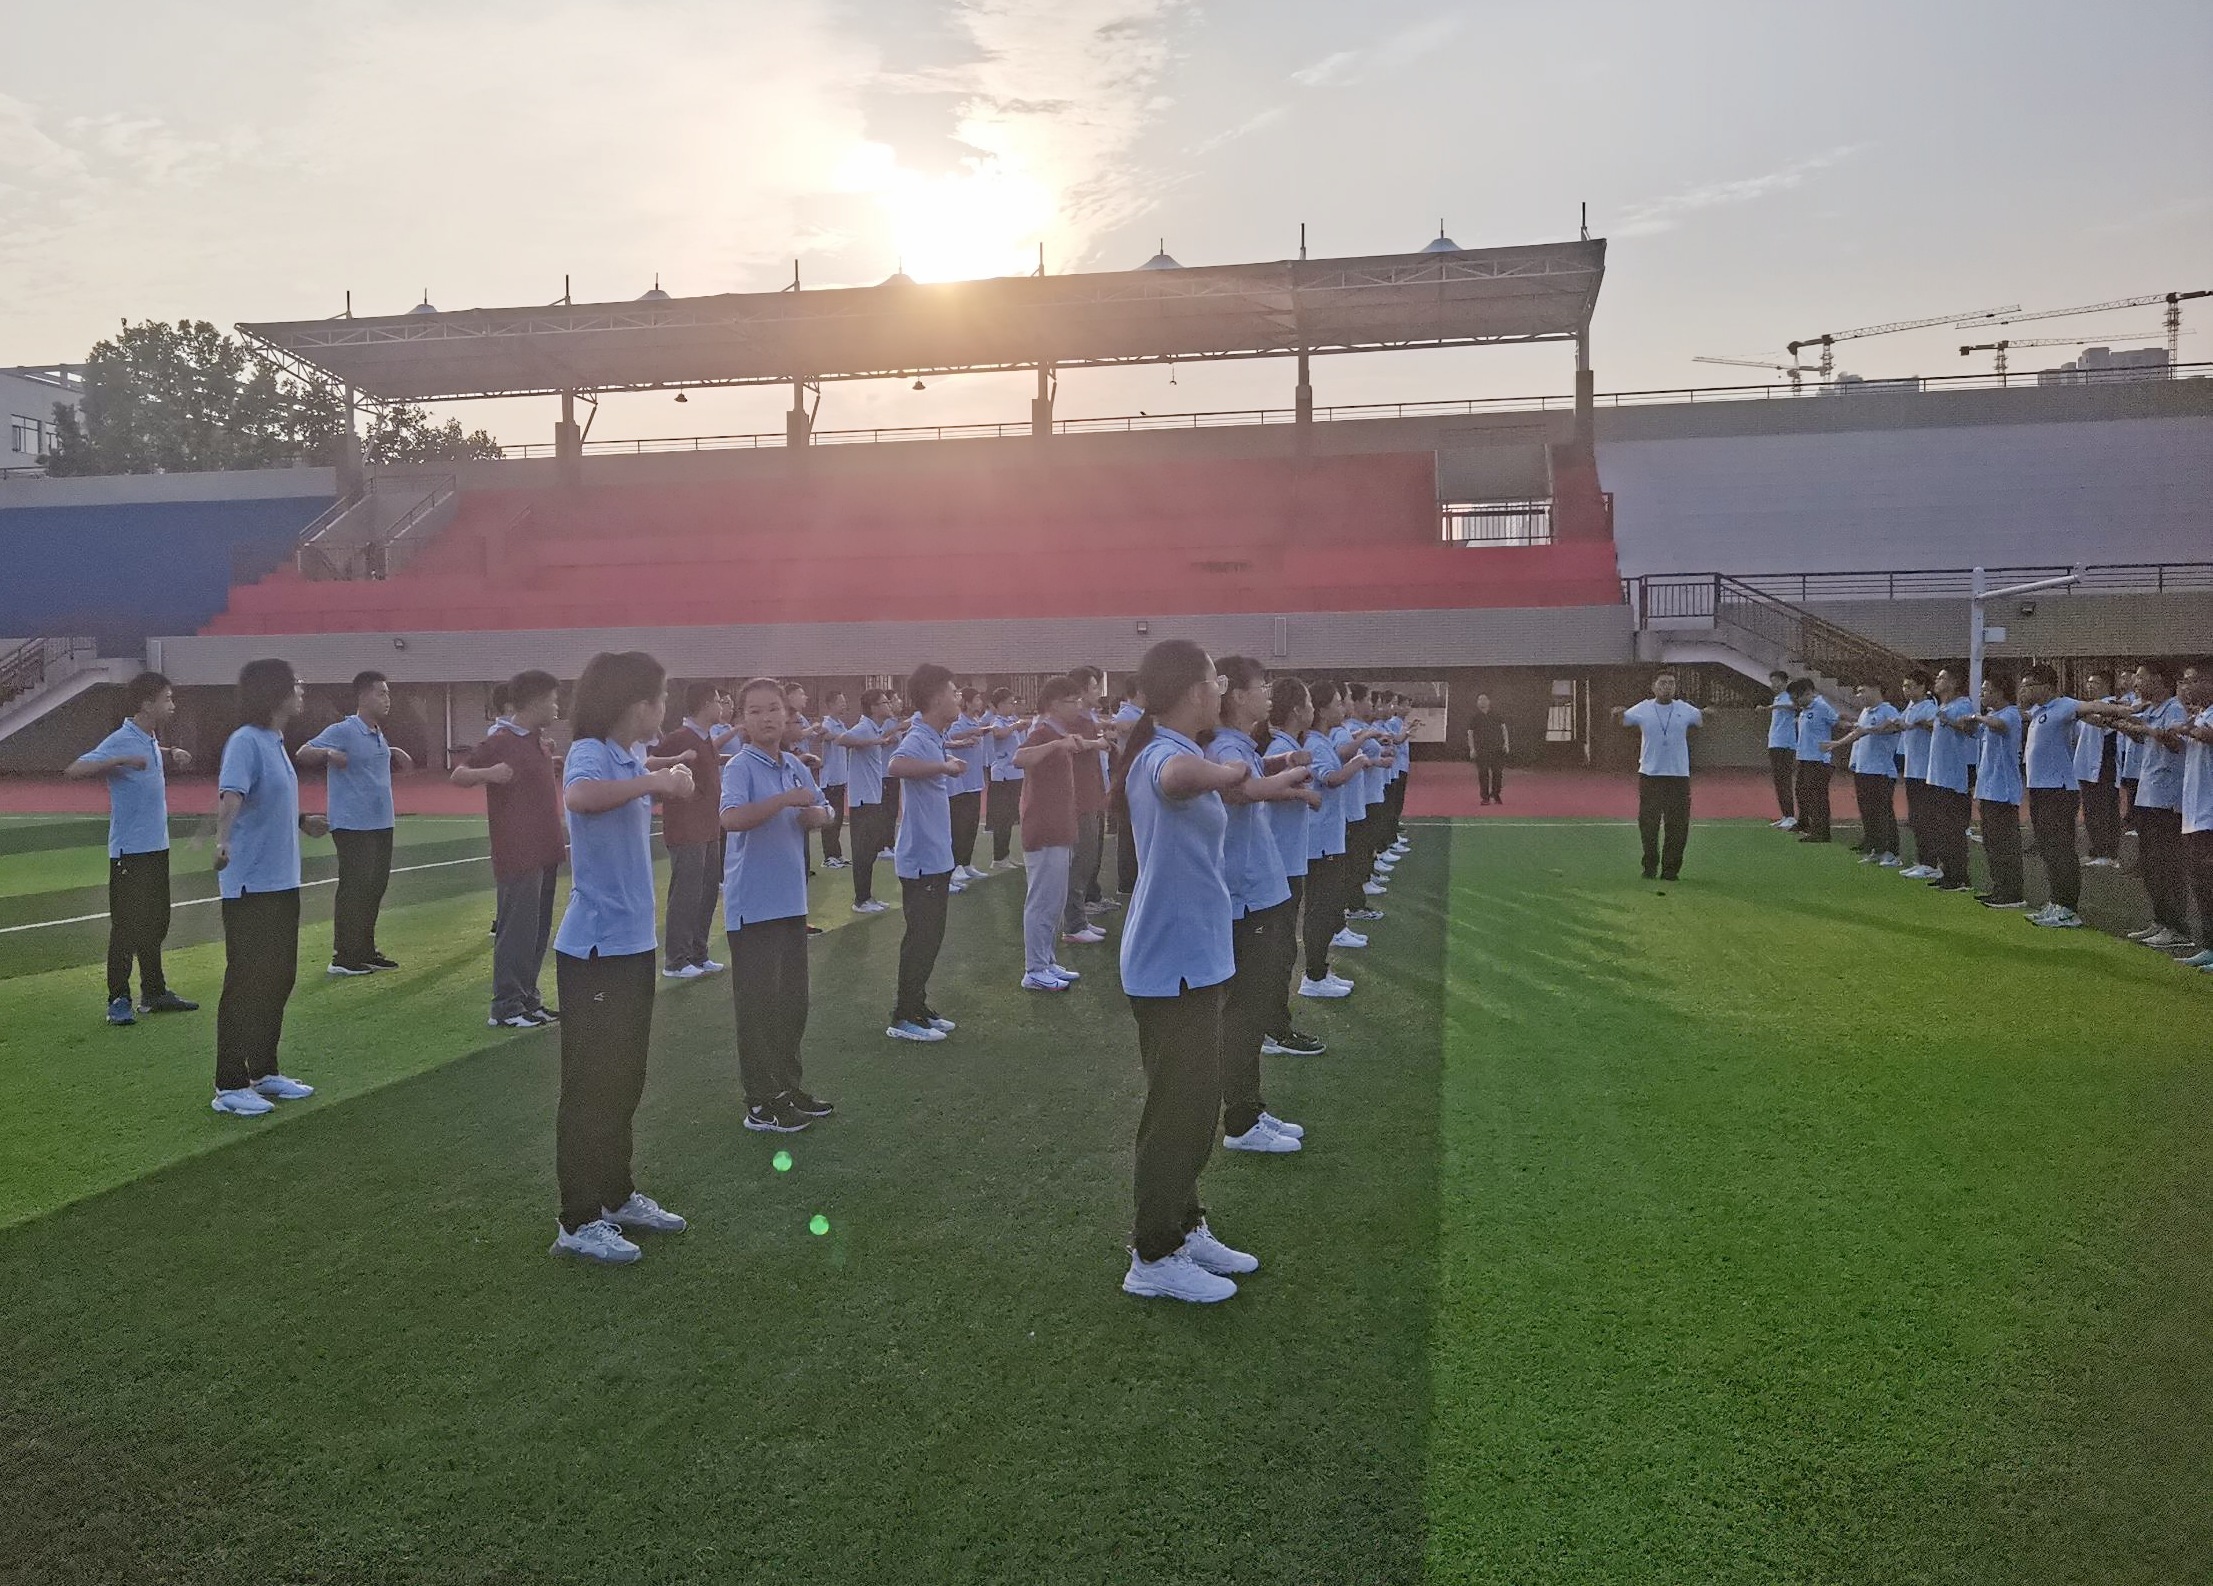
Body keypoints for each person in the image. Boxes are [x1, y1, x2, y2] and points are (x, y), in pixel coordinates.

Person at [1114, 638, 1260, 1305]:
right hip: (1170, 960)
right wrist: (1229, 772)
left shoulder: (1180, 749)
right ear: (1194, 690)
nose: (1220, 691)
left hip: (1195, 956)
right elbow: (1175, 780)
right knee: (1177, 1109)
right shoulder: (1161, 754)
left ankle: (1185, 1223)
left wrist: (1250, 774)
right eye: (1214, 680)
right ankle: (1153, 1252)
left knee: (1196, 1105)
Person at [548, 650, 693, 1266]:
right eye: (660, 698)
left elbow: (634, 774)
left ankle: (615, 1194)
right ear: (636, 704)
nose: (664, 709)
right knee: (590, 1085)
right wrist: (657, 781)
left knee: (625, 1079)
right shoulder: (590, 751)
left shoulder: (628, 755)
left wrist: (662, 769)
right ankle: (577, 1220)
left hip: (632, 945)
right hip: (597, 949)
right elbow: (580, 797)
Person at [718, 677, 837, 1134]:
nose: (766, 718)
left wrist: (817, 815)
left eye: (773, 709)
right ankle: (761, 1101)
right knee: (758, 1009)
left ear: (787, 715)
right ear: (742, 720)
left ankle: (788, 1087)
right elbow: (731, 819)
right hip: (753, 906)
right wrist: (785, 800)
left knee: (792, 1005)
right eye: (754, 711)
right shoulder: (741, 767)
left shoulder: (793, 765)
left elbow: (825, 809)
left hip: (791, 903)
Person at [1208, 657, 1314, 1156]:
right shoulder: (1226, 746)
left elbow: (1249, 776)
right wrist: (1297, 779)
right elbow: (1240, 789)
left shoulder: (1237, 744)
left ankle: (1248, 1108)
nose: (1267, 695)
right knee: (1245, 1011)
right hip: (1247, 896)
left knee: (1249, 1010)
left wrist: (1280, 765)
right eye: (1260, 687)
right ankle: (1241, 1118)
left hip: (1255, 892)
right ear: (1235, 695)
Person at [210, 658, 325, 1117]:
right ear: (274, 691)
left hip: (281, 881)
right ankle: (229, 1084)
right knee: (246, 981)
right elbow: (232, 795)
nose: (301, 689)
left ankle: (262, 1070)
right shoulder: (245, 740)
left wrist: (302, 821)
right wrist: (222, 840)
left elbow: (264, 800)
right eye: (295, 683)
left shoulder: (275, 741)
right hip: (250, 884)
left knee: (279, 977)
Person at [68, 670, 198, 1025]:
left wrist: (170, 752)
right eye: (167, 699)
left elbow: (148, 752)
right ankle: (118, 998)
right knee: (126, 927)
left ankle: (154, 992)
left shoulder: (149, 737)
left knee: (156, 923)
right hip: (130, 852)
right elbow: (75, 769)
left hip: (157, 847)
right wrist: (118, 761)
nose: (173, 705)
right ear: (146, 703)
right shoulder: (122, 739)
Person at [452, 668, 566, 1028]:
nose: (557, 707)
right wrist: (489, 773)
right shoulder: (501, 740)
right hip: (518, 851)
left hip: (544, 848)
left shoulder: (535, 740)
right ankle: (505, 1007)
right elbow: (459, 775)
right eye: (552, 700)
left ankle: (528, 998)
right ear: (534, 702)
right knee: (517, 930)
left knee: (537, 931)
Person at [297, 670, 413, 975]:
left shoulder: (377, 734)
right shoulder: (345, 730)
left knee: (375, 887)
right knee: (355, 887)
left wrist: (393, 752)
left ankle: (365, 949)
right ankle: (343, 956)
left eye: (388, 693)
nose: (387, 699)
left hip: (381, 822)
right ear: (363, 696)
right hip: (353, 824)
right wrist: (328, 752)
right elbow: (303, 752)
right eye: (381, 693)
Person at [885, 664, 967, 1042]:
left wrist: (944, 761)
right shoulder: (919, 736)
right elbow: (896, 764)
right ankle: (903, 1016)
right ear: (935, 698)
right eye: (953, 691)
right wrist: (943, 766)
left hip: (935, 855)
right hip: (921, 859)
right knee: (921, 938)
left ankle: (917, 1006)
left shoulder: (935, 735)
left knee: (930, 938)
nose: (959, 697)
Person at [1013, 676, 1090, 992]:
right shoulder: (1043, 732)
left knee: (1054, 901)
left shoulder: (1057, 733)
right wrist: (1057, 745)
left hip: (1059, 829)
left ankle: (1046, 961)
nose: (1078, 707)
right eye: (1073, 701)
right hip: (1044, 830)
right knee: (1042, 902)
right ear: (1056, 704)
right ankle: (1034, 969)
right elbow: (1019, 758)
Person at [650, 682, 729, 981]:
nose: (723, 707)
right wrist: (676, 760)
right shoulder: (680, 738)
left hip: (709, 828)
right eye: (719, 701)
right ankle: (676, 960)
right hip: (686, 830)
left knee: (707, 893)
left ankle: (698, 952)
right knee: (686, 894)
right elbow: (648, 763)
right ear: (706, 703)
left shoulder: (705, 738)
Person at [2115, 661, 2191, 949]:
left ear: (2158, 679)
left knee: (2166, 863)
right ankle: (2161, 920)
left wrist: (2145, 729)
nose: (2136, 683)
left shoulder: (2173, 709)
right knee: (2150, 863)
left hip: (2165, 798)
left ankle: (2177, 927)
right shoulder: (2152, 709)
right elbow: (2143, 734)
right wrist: (2128, 728)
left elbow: (2174, 743)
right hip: (2147, 794)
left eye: (2141, 678)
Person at [1299, 680, 1365, 989]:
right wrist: (1359, 761)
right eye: (1339, 702)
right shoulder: (1315, 743)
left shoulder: (1321, 741)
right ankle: (1314, 976)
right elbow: (1331, 778)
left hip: (1327, 838)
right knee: (1320, 908)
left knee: (1326, 906)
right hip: (1321, 841)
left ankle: (1319, 971)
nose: (1343, 708)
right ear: (1323, 710)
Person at [1613, 670, 1702, 881]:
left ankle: (1671, 869)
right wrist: (1617, 714)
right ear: (1653, 687)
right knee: (1648, 824)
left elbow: (1701, 719)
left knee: (1677, 824)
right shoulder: (1643, 708)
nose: (1667, 687)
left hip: (1678, 775)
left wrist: (1711, 713)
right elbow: (1623, 721)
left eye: (1671, 683)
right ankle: (1650, 865)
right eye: (1663, 683)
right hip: (1650, 774)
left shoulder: (1684, 709)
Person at [1821, 681, 1902, 865]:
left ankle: (1891, 852)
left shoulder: (1888, 711)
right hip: (1863, 769)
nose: (1859, 696)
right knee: (1868, 811)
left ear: (1875, 689)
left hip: (1881, 770)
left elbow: (1893, 727)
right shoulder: (1865, 712)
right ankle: (1876, 848)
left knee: (1883, 812)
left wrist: (1837, 743)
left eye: (1862, 691)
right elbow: (1858, 733)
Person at [837, 690, 899, 914]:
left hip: (873, 797)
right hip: (862, 800)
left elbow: (883, 736)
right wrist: (875, 741)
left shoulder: (875, 727)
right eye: (884, 702)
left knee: (870, 851)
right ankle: (861, 900)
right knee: (863, 852)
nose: (889, 705)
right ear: (873, 707)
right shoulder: (864, 727)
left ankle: (867, 897)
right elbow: (842, 739)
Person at [1970, 674, 2027, 908]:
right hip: (1988, 788)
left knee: (2005, 844)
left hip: (2003, 790)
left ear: (2000, 692)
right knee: (1992, 843)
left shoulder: (2010, 713)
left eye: (1986, 690)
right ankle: (2000, 887)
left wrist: (1978, 717)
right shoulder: (1992, 716)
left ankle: (2012, 892)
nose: (1982, 694)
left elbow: (2000, 726)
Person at [2173, 664, 2213, 970]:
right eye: (2185, 681)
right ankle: (2209, 945)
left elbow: (2207, 736)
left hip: (2209, 814)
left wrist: (2187, 729)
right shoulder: (2198, 715)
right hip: (2195, 812)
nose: (2187, 686)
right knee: (2201, 884)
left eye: (2193, 680)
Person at [1893, 670, 1940, 878]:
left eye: (1911, 686)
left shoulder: (1929, 707)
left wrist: (1920, 724)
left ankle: (1930, 862)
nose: (1906, 690)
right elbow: (1900, 722)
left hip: (1925, 770)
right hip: (1912, 769)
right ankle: (1923, 860)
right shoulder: (1911, 707)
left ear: (1922, 687)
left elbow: (1935, 726)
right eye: (1904, 686)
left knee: (1925, 817)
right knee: (1915, 818)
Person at [2072, 670, 2122, 868]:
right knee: (2091, 810)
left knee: (2105, 809)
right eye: (2089, 682)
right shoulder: (2087, 707)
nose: (2090, 686)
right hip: (2085, 765)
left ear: (2106, 686)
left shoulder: (2111, 706)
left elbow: (2104, 726)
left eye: (2095, 683)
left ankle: (2108, 852)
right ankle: (2097, 849)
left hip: (2103, 765)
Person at [947, 687, 992, 884]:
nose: (979, 702)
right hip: (961, 784)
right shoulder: (958, 721)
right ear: (966, 702)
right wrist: (969, 735)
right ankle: (955, 865)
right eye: (976, 699)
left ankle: (966, 863)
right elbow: (950, 737)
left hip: (975, 781)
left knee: (972, 825)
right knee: (960, 826)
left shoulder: (975, 720)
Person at [1786, 678, 1837, 844]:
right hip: (1804, 758)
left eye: (1796, 697)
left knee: (1817, 797)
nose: (1795, 702)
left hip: (1818, 760)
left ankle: (1821, 831)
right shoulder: (1804, 709)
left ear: (1807, 693)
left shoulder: (1821, 707)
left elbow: (1836, 721)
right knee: (1802, 792)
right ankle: (1804, 822)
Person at [985, 687, 1026, 869]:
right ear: (1000, 705)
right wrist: (1016, 726)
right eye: (1010, 703)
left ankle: (1005, 855)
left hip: (1015, 773)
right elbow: (999, 733)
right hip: (1003, 775)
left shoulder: (1010, 720)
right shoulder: (998, 721)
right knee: (1002, 817)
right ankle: (998, 857)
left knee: (1009, 817)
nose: (1013, 706)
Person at [814, 687, 852, 869]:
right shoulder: (827, 724)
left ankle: (837, 854)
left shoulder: (841, 724)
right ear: (830, 705)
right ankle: (828, 856)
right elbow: (825, 736)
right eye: (840, 702)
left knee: (837, 819)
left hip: (840, 778)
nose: (844, 705)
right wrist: (845, 737)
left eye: (844, 702)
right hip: (830, 780)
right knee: (830, 818)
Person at [1764, 670, 1799, 829]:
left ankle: (1790, 816)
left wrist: (1774, 706)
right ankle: (1785, 814)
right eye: (1772, 681)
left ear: (1785, 682)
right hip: (1775, 742)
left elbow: (1795, 706)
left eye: (1777, 681)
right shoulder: (1777, 698)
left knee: (1784, 780)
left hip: (1785, 744)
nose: (1774, 685)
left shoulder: (1789, 696)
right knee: (1778, 780)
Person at [1466, 692, 1508, 805]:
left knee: (1497, 773)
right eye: (1480, 699)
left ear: (1489, 701)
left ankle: (1496, 794)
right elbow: (1470, 733)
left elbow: (1504, 729)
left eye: (1484, 699)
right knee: (1483, 774)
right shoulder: (1475, 717)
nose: (1482, 701)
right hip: (1481, 750)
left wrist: (1506, 744)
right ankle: (1485, 798)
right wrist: (1472, 748)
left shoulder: (1496, 715)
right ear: (1477, 703)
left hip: (1497, 749)